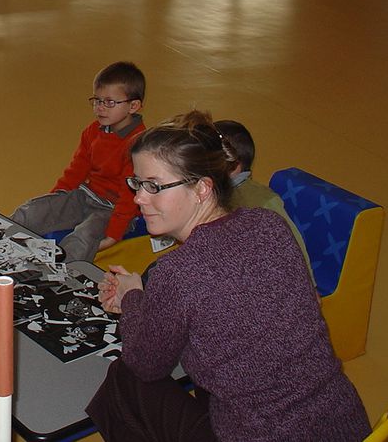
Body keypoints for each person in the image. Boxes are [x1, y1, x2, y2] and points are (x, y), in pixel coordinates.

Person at [87, 110, 371, 442]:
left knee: (125, 378)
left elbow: (146, 364)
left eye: (154, 186)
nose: (138, 198)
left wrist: (133, 297)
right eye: (137, 183)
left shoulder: (177, 273)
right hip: (345, 425)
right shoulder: (269, 225)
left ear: (202, 189)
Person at [11, 61, 146, 262]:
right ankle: (1, 251)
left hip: (111, 209)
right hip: (85, 196)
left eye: (109, 102)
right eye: (97, 100)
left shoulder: (139, 145)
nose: (100, 108)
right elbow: (77, 168)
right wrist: (57, 198)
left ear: (133, 106)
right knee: (29, 212)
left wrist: (113, 234)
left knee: (82, 238)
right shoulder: (93, 131)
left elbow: (129, 196)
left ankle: (58, 277)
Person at [214, 118, 312, 272]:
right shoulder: (213, 191)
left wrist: (310, 288)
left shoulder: (262, 203)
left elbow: (294, 251)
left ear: (234, 165)